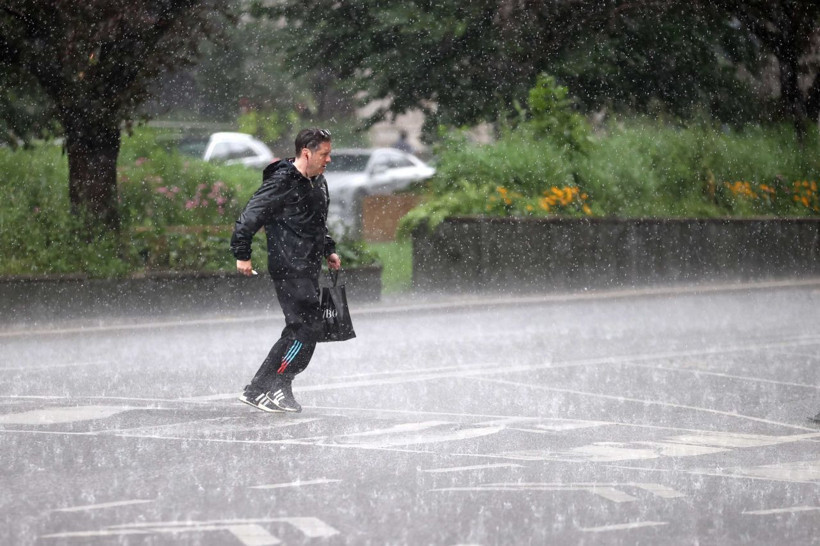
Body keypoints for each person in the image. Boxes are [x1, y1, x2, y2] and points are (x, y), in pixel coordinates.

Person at [230, 128, 340, 413]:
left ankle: (263, 388)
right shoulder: (282, 181)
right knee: (308, 327)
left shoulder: (318, 182)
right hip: (289, 266)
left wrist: (328, 248)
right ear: (307, 152)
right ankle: (275, 384)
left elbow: (317, 221)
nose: (329, 159)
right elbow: (251, 215)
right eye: (324, 154)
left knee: (301, 328)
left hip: (308, 265)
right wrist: (242, 254)